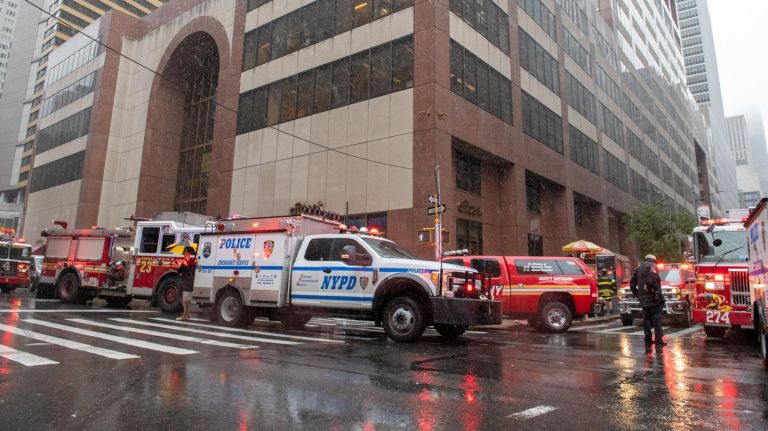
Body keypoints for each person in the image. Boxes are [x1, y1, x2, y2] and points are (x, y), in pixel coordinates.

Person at [630, 254, 666, 348]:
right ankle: (658, 340)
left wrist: (637, 293)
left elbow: (632, 283)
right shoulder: (652, 266)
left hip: (643, 299)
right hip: (654, 298)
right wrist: (655, 291)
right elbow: (653, 279)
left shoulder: (639, 268)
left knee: (646, 320)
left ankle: (648, 339)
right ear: (654, 260)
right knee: (657, 319)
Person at [177, 246, 197, 321]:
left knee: (183, 298)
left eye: (185, 253)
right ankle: (188, 313)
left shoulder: (185, 262)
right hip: (191, 280)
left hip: (185, 281)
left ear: (188, 253)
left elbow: (179, 271)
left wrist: (177, 267)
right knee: (187, 298)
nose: (184, 254)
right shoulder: (194, 261)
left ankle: (184, 315)